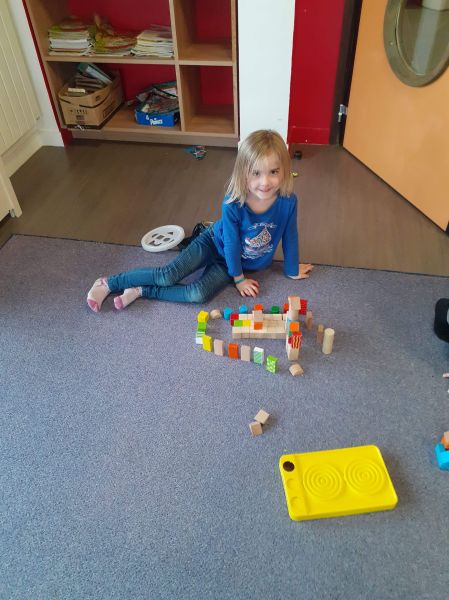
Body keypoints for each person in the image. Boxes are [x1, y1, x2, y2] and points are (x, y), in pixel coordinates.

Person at [86, 129, 313, 313]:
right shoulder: (233, 203)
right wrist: (239, 279)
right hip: (213, 243)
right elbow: (231, 243)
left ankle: (140, 290)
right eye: (256, 173)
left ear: (284, 171)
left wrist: (292, 269)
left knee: (198, 294)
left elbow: (290, 235)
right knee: (167, 275)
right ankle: (109, 283)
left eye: (273, 172)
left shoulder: (288, 202)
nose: (265, 182)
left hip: (230, 264)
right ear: (243, 173)